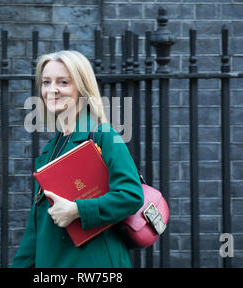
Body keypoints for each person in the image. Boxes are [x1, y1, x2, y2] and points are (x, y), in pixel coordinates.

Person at [11, 50, 144, 268]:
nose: (51, 90)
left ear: (81, 88)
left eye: (63, 82)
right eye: (46, 82)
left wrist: (77, 210)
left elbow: (131, 195)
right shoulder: (49, 151)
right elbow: (35, 230)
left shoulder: (105, 135)